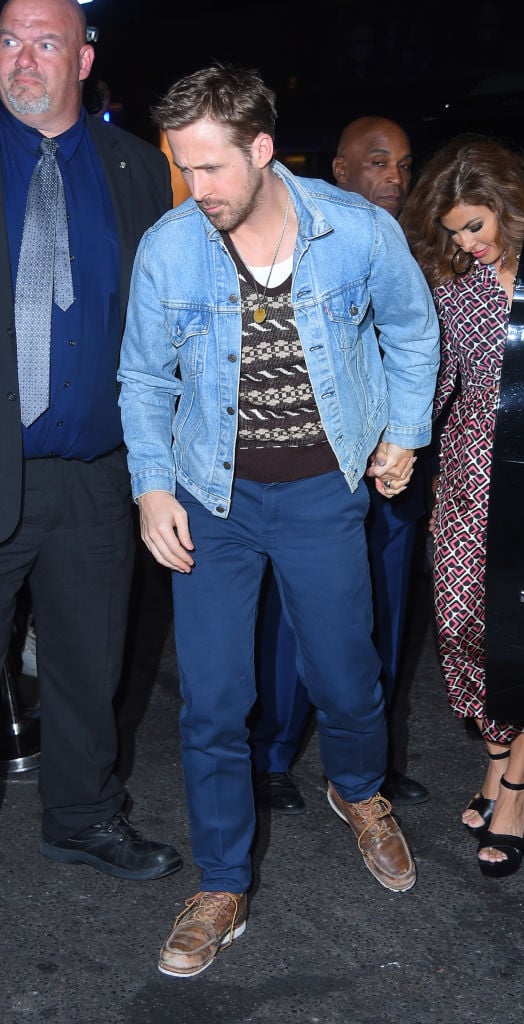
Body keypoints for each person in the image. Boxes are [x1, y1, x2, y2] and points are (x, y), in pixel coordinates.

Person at [117, 64, 440, 977]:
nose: (197, 189)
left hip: (318, 492)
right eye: (184, 168)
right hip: (211, 502)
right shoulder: (171, 248)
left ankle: (361, 791)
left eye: (212, 168)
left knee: (345, 677)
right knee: (215, 702)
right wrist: (150, 486)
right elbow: (144, 380)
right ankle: (223, 883)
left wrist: (404, 435)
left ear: (261, 150)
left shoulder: (358, 233)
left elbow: (412, 334)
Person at [0, 0, 181, 880]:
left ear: (82, 58)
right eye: (6, 41)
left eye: (44, 42)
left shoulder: (139, 171)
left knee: (88, 667)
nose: (22, 60)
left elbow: (171, 321)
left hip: (97, 476)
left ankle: (81, 817)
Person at [252, 115, 430, 813]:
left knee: (380, 615)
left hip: (398, 463)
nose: (394, 177)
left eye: (405, 165)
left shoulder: (420, 244)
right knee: (298, 614)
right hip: (322, 465)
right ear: (341, 170)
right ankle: (271, 754)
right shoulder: (322, 239)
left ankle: (364, 765)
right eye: (379, 162)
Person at [400, 134, 524, 878]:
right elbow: (440, 378)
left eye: (475, 226)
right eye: (454, 230)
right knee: (460, 621)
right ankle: (495, 757)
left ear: (508, 209)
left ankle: (512, 783)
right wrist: (397, 442)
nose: (466, 242)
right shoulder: (451, 286)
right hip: (467, 468)